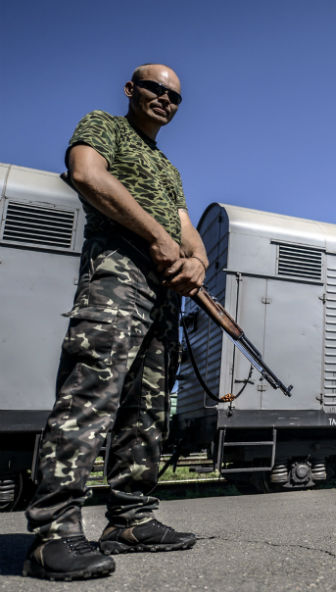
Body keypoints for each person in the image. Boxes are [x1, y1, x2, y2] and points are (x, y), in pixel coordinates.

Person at [23, 63, 207, 580]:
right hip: (118, 273)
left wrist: (195, 262)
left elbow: (189, 233)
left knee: (147, 409)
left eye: (174, 96)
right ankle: (53, 535)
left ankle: (131, 518)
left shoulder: (168, 168)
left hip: (164, 290)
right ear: (131, 89)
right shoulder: (104, 126)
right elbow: (87, 175)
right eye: (155, 88)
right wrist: (159, 239)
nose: (165, 99)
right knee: (91, 394)